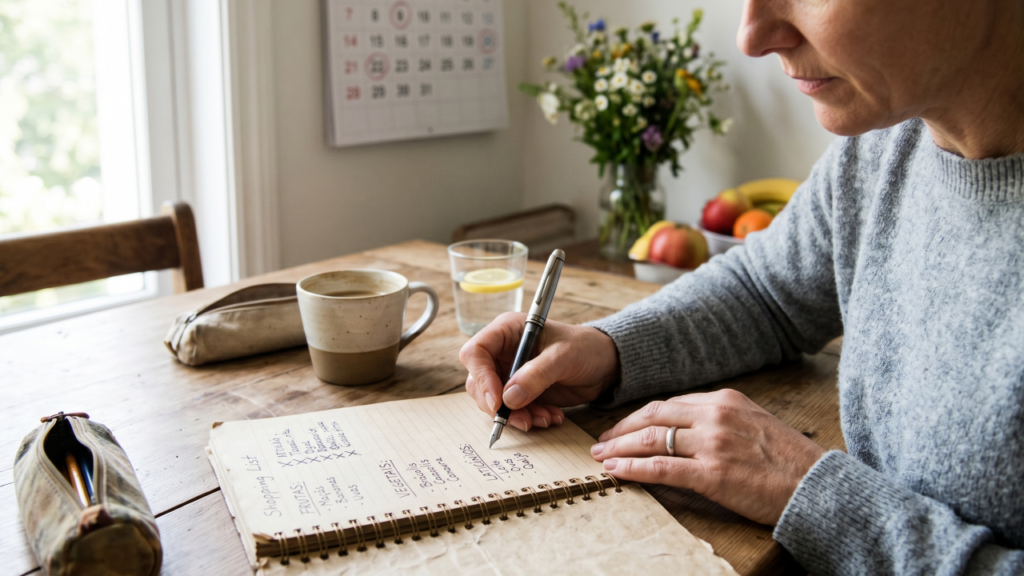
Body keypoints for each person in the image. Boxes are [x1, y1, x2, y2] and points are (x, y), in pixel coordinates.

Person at [460, 0, 1024, 574]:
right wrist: (606, 350)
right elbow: (766, 291)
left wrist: (814, 495)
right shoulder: (884, 147)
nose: (752, 38)